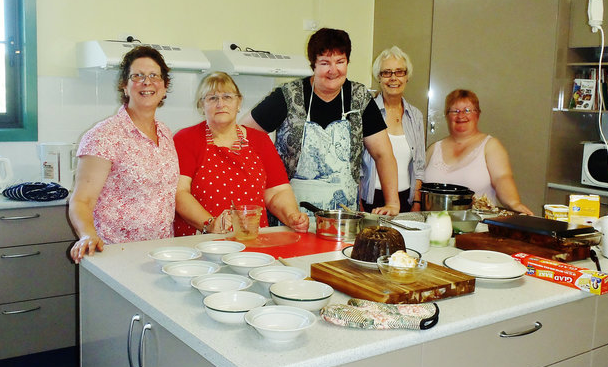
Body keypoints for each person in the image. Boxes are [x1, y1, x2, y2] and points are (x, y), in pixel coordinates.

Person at [240, 27, 400, 215]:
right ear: (313, 65)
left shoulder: (359, 98)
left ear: (348, 62)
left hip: (344, 219)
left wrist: (392, 203)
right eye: (325, 63)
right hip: (290, 216)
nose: (333, 70)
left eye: (340, 62)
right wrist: (267, 176)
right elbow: (242, 134)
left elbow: (384, 155)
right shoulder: (289, 96)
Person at [68, 45, 181, 263]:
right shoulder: (103, 135)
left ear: (165, 86)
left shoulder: (165, 133)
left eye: (154, 76)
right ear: (125, 86)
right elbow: (82, 200)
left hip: (161, 253)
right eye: (137, 76)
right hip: (115, 255)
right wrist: (87, 235)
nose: (146, 82)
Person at [173, 72, 309, 235]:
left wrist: (291, 216)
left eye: (227, 97)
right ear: (201, 106)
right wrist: (210, 224)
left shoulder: (260, 140)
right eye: (212, 98)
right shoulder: (186, 139)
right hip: (201, 242)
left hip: (252, 240)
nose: (220, 104)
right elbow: (180, 193)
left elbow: (276, 192)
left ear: (239, 103)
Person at [423, 89, 534, 215]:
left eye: (467, 110)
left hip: (477, 226)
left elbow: (502, 178)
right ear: (447, 115)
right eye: (455, 111)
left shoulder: (491, 146)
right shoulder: (433, 149)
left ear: (478, 114)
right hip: (435, 223)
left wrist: (514, 203)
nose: (461, 116)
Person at [359, 46, 425, 214]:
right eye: (386, 73)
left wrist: (416, 202)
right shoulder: (366, 112)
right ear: (379, 78)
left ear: (407, 76)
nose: (393, 78)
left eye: (399, 72)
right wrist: (357, 203)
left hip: (406, 201)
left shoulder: (415, 116)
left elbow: (419, 165)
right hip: (370, 201)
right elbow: (355, 165)